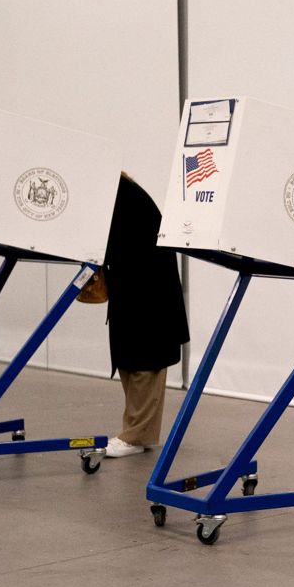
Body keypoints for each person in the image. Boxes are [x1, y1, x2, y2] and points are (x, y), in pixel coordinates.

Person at [102, 172, 189, 458]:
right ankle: (138, 432)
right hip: (134, 287)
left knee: (144, 362)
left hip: (148, 291)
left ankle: (136, 436)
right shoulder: (121, 194)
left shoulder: (124, 198)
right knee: (131, 359)